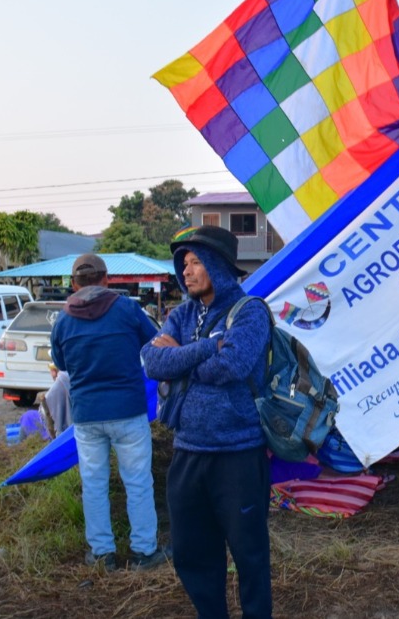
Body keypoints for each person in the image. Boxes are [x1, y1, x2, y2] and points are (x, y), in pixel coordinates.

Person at [141, 224, 273, 619]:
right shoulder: (181, 315)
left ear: (217, 265)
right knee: (192, 553)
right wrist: (206, 347)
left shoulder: (250, 313)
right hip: (187, 452)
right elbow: (152, 362)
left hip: (238, 454)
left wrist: (181, 359)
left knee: (249, 555)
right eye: (184, 264)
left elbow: (231, 365)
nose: (187, 271)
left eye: (196, 262)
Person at [49, 253, 166, 573]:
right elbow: (155, 342)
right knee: (139, 481)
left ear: (74, 284)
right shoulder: (127, 309)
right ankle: (144, 552)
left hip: (86, 415)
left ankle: (102, 554)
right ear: (106, 279)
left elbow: (60, 364)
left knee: (94, 483)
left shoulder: (63, 319)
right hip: (128, 410)